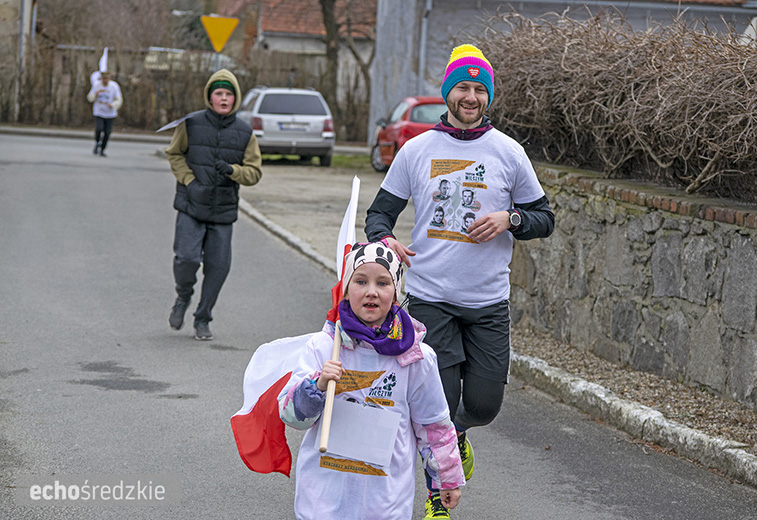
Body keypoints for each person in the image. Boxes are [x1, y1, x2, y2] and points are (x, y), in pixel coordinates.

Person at [365, 43, 555, 518]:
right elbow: (379, 215)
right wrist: (387, 240)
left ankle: (461, 436)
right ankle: (437, 499)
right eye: (462, 88)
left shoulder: (508, 152)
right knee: (438, 410)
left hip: (488, 302)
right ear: (448, 92)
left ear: (487, 97)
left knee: (484, 406)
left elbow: (544, 218)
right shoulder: (417, 150)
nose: (470, 97)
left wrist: (509, 218)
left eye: (478, 89)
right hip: (431, 299)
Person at [278, 242, 465, 519]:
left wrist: (445, 480)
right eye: (361, 281)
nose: (371, 292)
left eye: (383, 283)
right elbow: (291, 416)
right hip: (324, 497)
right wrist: (317, 386)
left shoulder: (416, 356)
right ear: (347, 288)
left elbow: (434, 424)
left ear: (396, 290)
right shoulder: (323, 347)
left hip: (385, 500)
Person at [165, 69, 262, 340]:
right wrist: (189, 181)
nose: (223, 98)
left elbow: (254, 173)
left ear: (235, 99)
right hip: (191, 204)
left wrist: (233, 171)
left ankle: (203, 318)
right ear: (210, 96)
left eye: (228, 94)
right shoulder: (191, 123)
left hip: (222, 210)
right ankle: (183, 297)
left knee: (218, 268)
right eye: (218, 93)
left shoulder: (245, 133)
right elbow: (174, 154)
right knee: (186, 258)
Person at [87, 71, 122, 157]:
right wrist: (95, 95)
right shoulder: (97, 85)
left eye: (106, 79)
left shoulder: (114, 86)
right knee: (99, 128)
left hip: (110, 113)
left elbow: (119, 99)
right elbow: (90, 98)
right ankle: (97, 142)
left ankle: (102, 149)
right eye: (103, 79)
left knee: (107, 132)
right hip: (99, 111)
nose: (105, 81)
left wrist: (113, 105)